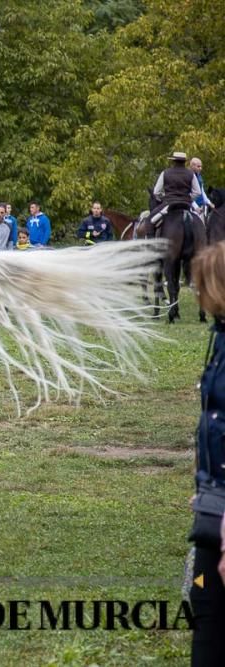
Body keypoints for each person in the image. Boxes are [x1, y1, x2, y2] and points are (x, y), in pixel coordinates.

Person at [187, 243, 225, 665]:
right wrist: (205, 479)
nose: (196, 292)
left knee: (210, 616)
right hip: (213, 499)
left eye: (201, 285)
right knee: (203, 605)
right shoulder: (220, 336)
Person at [152, 151, 202, 222]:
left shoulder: (165, 173)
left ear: (173, 161)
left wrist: (163, 197)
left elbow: (156, 192)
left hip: (168, 203)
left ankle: (150, 233)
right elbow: (198, 192)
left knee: (150, 220)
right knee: (200, 223)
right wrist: (188, 198)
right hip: (186, 204)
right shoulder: (191, 174)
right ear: (184, 162)